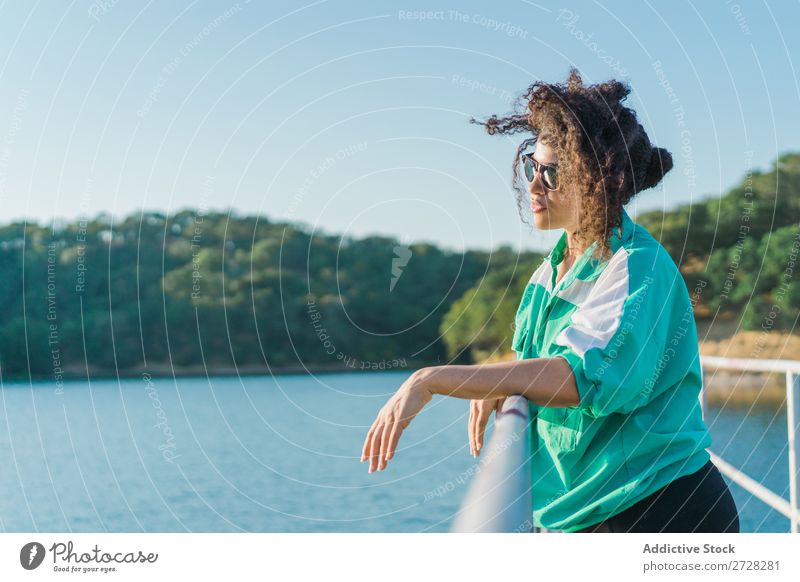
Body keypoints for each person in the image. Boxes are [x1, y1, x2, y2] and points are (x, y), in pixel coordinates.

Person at [360, 68, 739, 533]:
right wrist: (497, 383)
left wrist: (433, 378)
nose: (534, 185)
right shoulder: (549, 274)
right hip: (575, 516)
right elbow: (535, 364)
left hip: (656, 510)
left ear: (603, 180)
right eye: (532, 167)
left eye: (553, 173)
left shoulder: (636, 265)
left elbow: (581, 377)